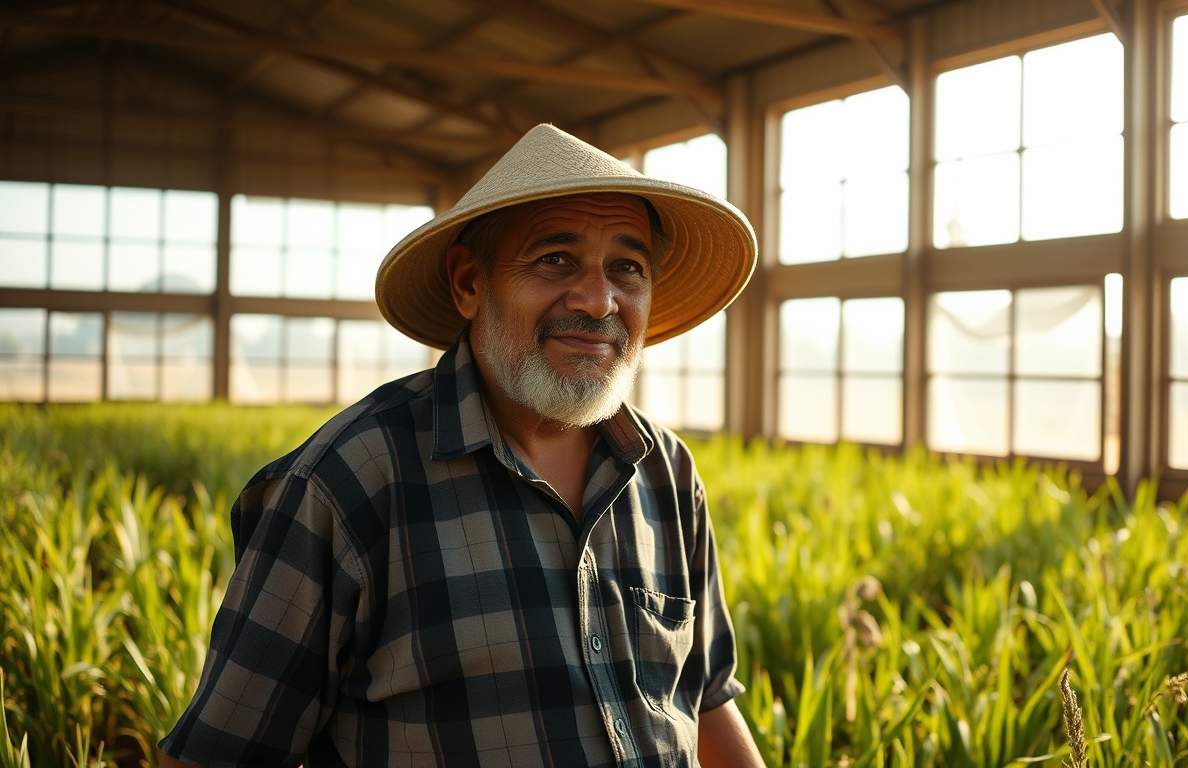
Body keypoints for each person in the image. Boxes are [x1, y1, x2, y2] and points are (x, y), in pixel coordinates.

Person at [157, 124, 765, 768]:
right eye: (555, 259)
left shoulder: (665, 472)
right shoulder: (349, 483)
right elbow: (217, 754)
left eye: (628, 267)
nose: (598, 299)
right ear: (469, 283)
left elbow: (703, 700)